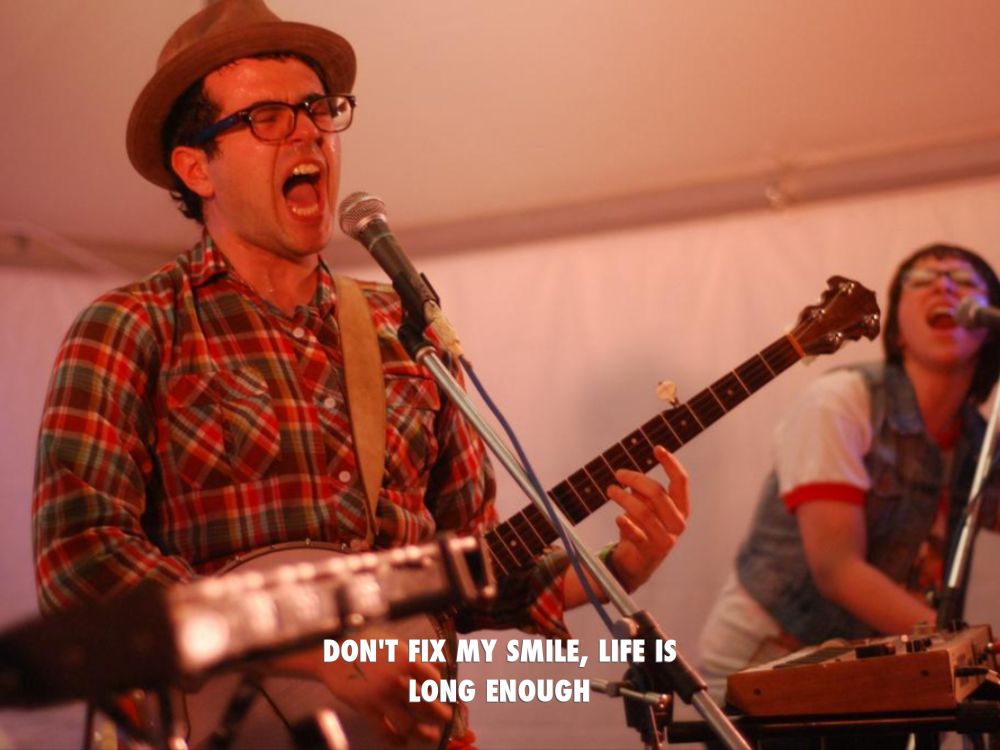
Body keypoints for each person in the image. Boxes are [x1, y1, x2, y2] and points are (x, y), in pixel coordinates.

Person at [31, 0, 690, 746]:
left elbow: (471, 569)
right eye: (267, 117)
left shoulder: (405, 329)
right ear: (196, 166)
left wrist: (612, 567)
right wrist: (308, 650)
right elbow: (82, 563)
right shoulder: (131, 326)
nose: (308, 131)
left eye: (318, 109)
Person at [698, 243, 1000, 704]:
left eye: (962, 281)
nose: (942, 287)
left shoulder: (980, 439)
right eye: (921, 281)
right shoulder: (842, 401)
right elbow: (837, 570)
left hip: (882, 667)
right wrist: (967, 650)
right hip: (770, 659)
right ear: (896, 331)